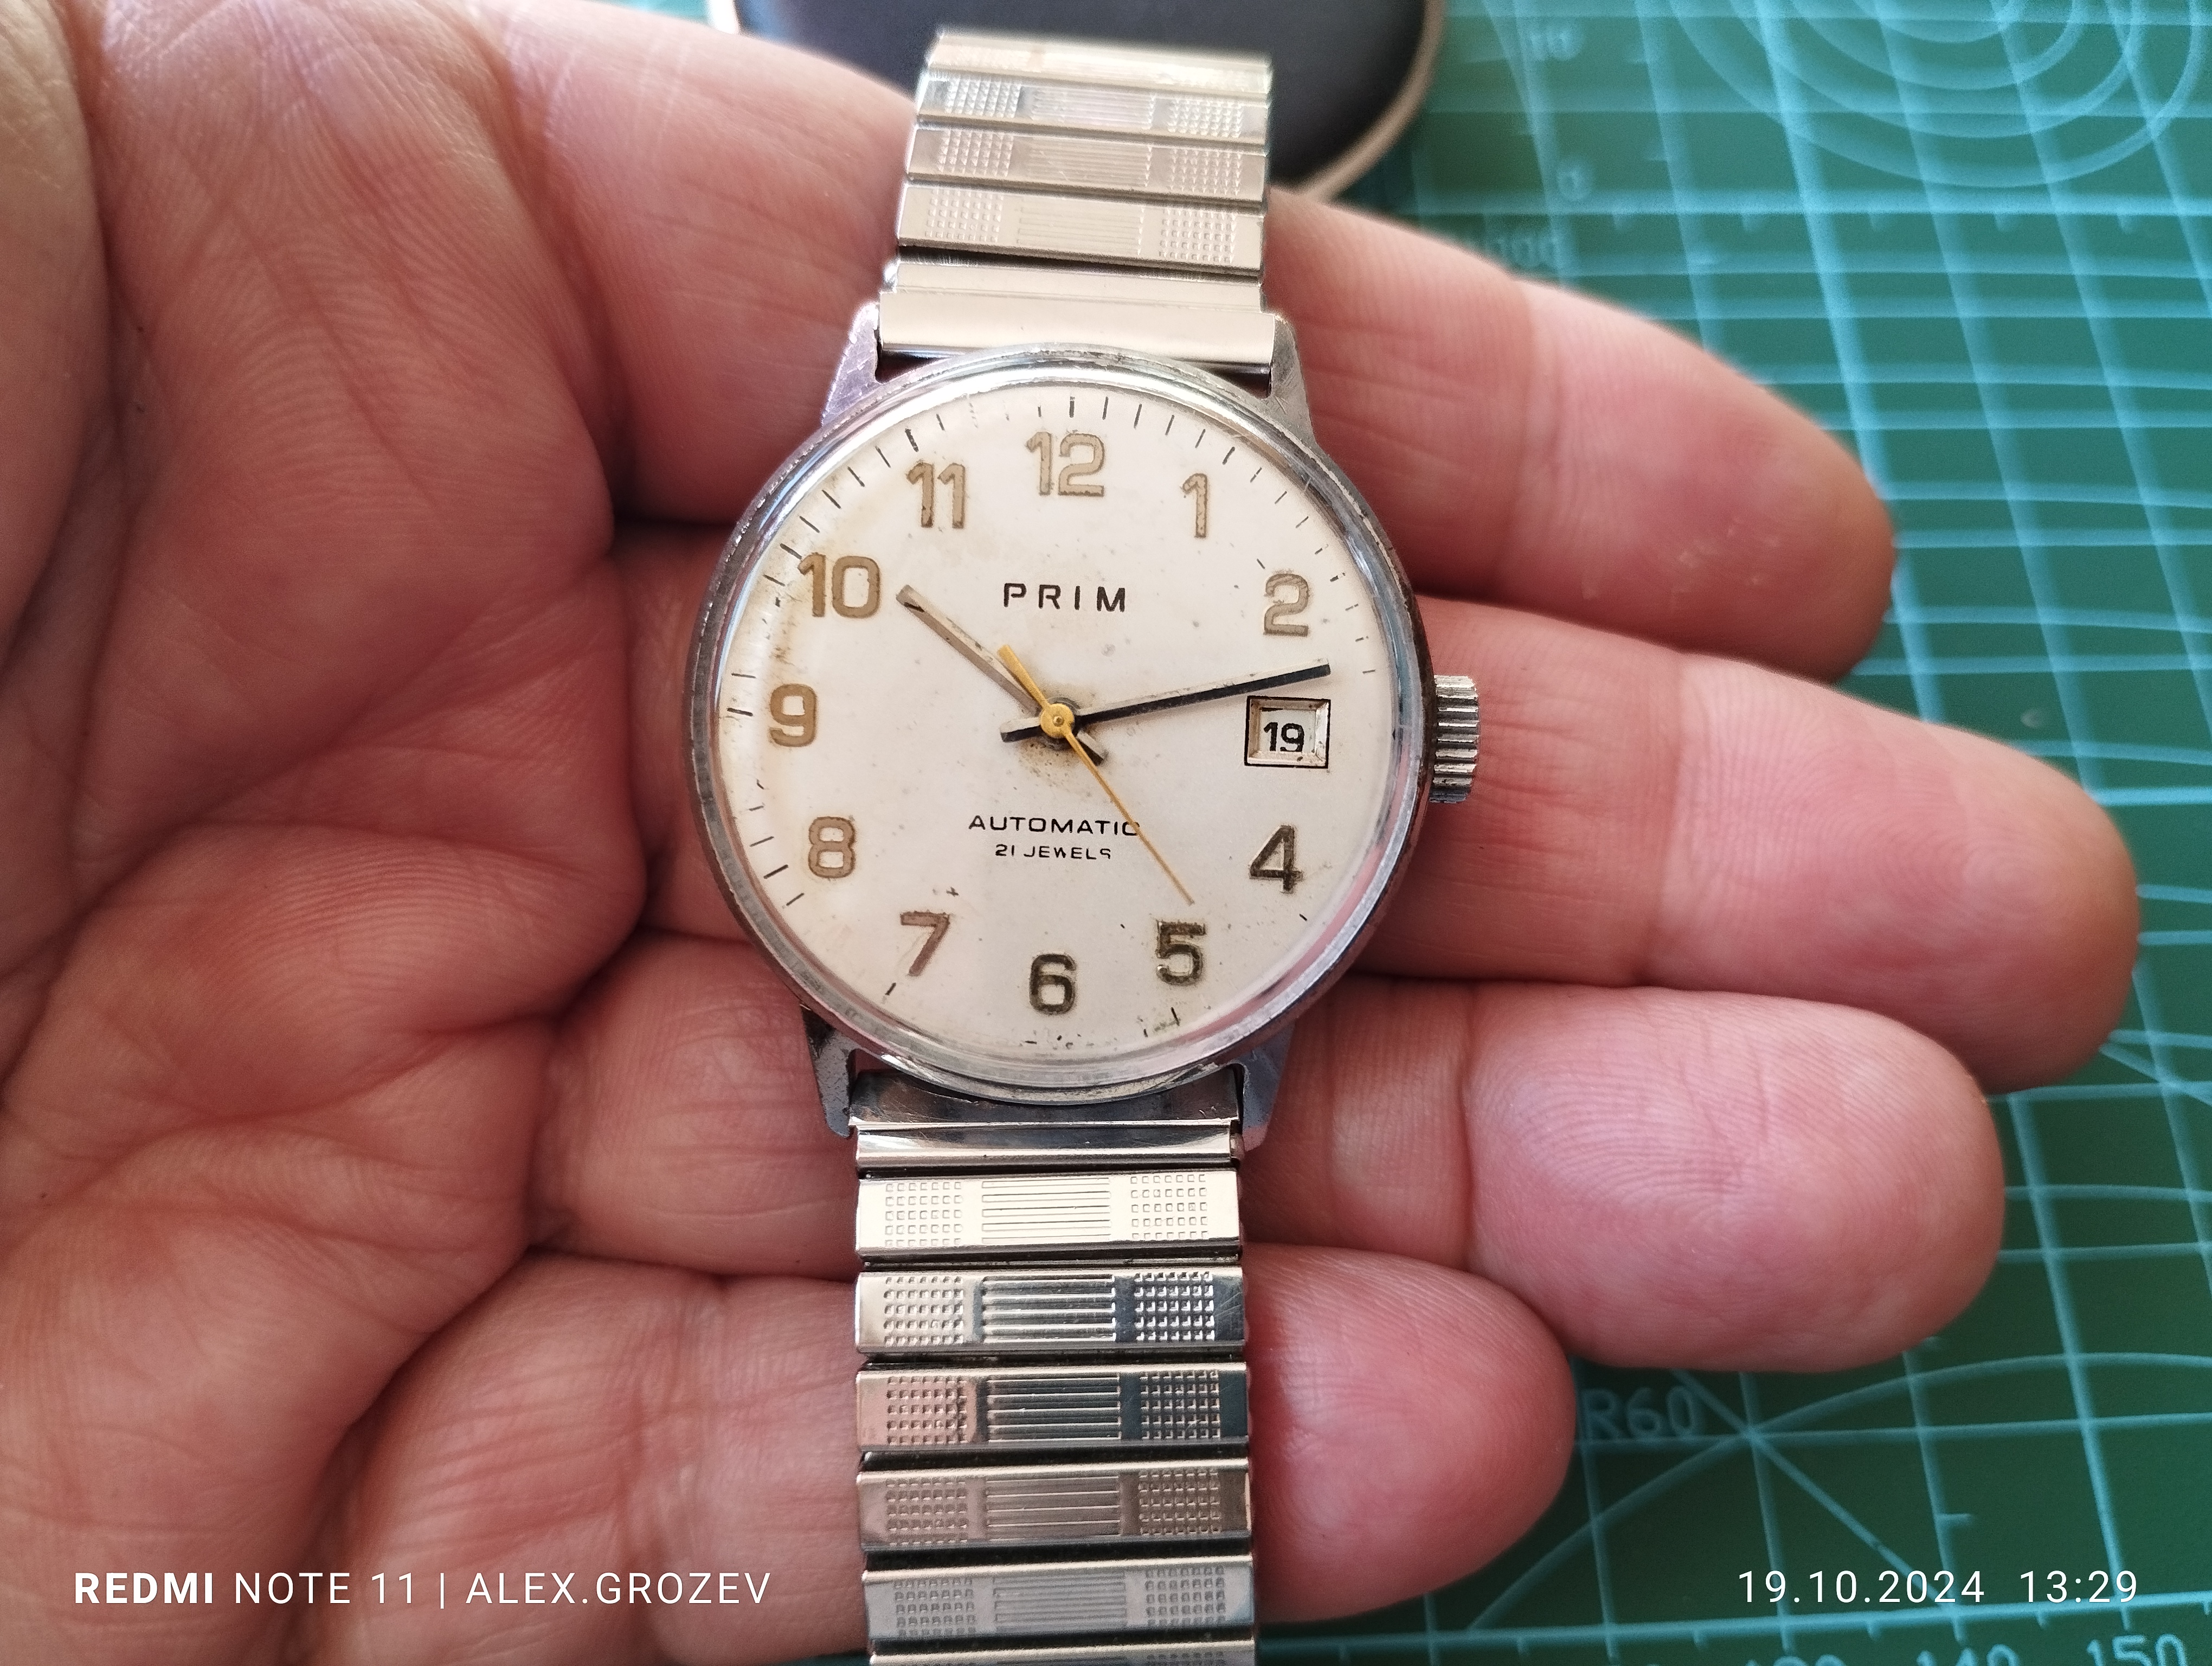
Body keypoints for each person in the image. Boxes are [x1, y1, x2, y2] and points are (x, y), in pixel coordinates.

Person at [0, 0, 2138, 1659]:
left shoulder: (1077, 519)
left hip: (1131, 1021)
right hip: (945, 1016)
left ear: (1425, 752)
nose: (1050, 727)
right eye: (1044, 713)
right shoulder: (875, 453)